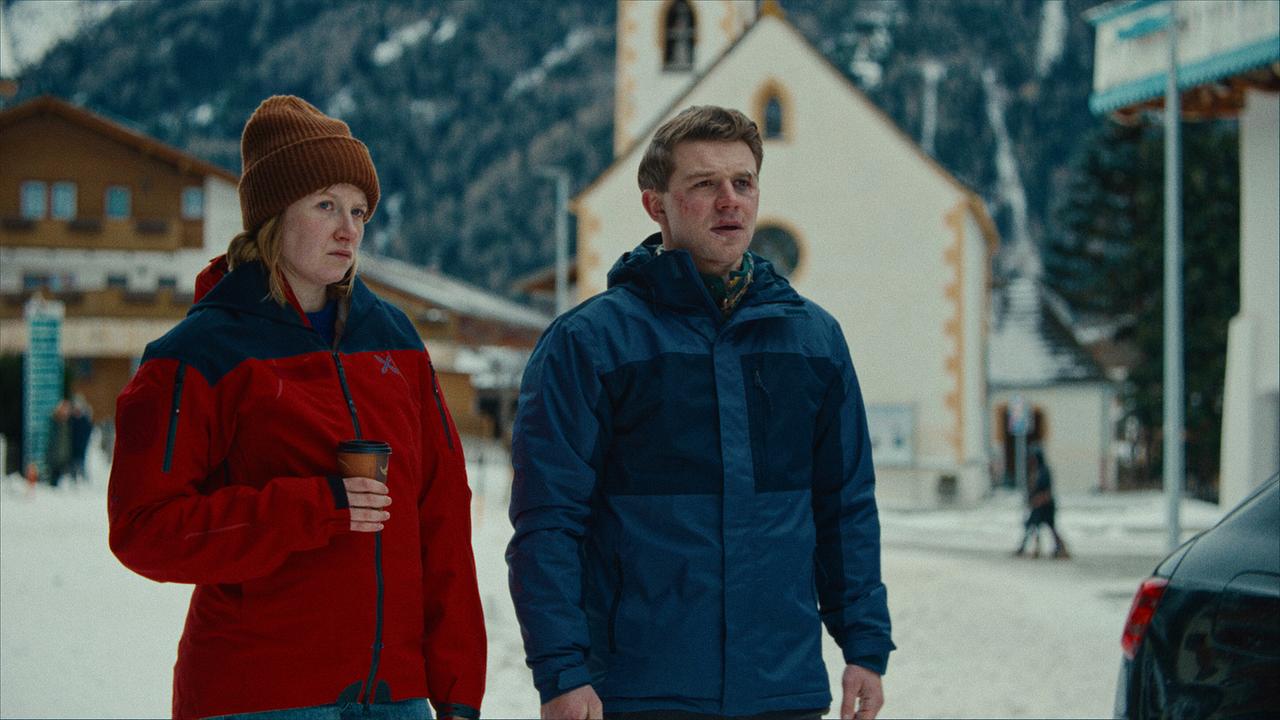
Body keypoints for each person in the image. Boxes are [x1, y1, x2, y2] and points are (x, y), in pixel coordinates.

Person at [506, 106, 894, 720]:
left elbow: (844, 506)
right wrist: (560, 673)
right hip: (636, 692)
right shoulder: (590, 344)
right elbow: (548, 522)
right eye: (704, 183)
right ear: (655, 205)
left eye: (743, 182)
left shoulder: (814, 341)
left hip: (781, 691)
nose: (729, 200)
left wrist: (865, 644)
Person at [107, 96, 485, 720]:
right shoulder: (198, 354)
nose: (349, 230)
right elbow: (144, 531)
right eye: (325, 205)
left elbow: (442, 513)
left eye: (358, 211)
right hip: (258, 696)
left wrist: (457, 689)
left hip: (394, 700)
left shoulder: (396, 340)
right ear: (273, 215)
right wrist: (313, 507)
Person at [1013, 443, 1069, 559]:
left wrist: (1039, 499)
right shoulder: (1034, 471)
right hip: (1037, 505)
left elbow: (1047, 490)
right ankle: (1029, 548)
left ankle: (1058, 548)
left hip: (1045, 505)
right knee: (1032, 526)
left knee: (1048, 527)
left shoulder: (1044, 471)